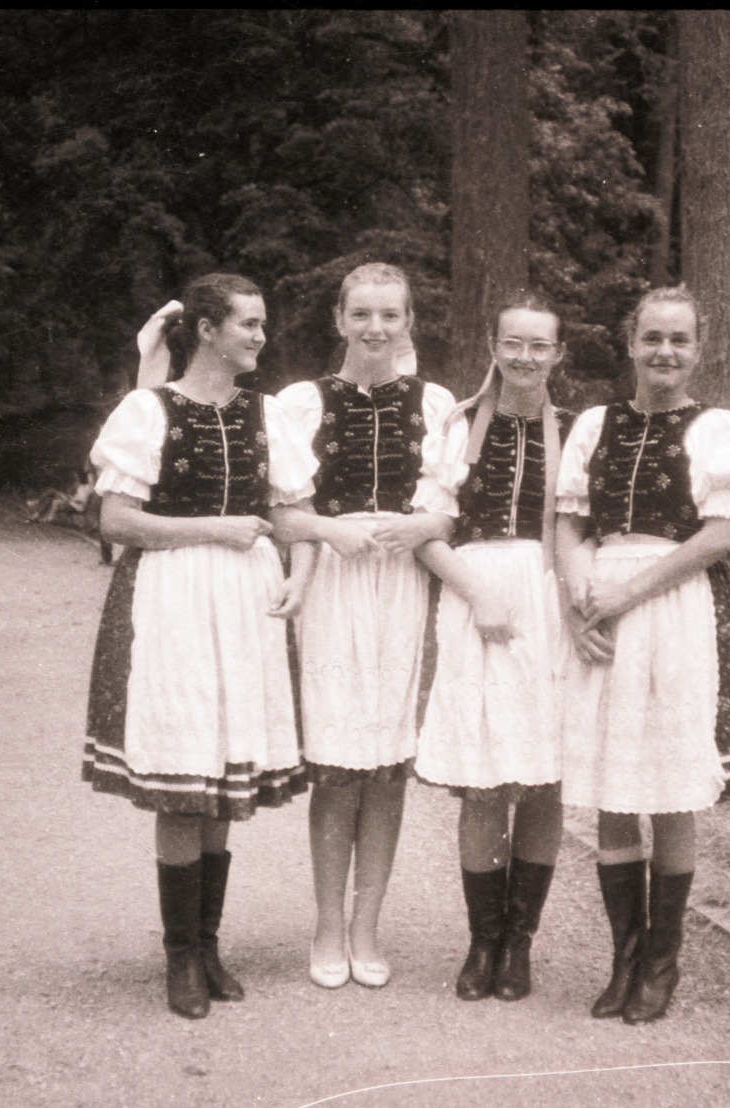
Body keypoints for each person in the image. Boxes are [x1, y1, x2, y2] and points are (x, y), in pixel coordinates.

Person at [85, 273, 321, 1020]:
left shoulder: (268, 414)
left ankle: (209, 944)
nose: (260, 337)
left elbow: (294, 515)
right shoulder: (147, 411)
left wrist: (304, 575)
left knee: (221, 770)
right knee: (185, 772)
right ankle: (179, 955)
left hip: (246, 603)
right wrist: (212, 530)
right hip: (173, 600)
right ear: (209, 330)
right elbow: (116, 522)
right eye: (247, 324)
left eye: (262, 325)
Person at [555, 285, 730, 1025]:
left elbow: (719, 537)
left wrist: (628, 593)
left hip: (675, 607)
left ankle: (661, 963)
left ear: (698, 349)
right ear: (630, 343)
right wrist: (580, 599)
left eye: (679, 340)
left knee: (672, 789)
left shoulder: (716, 426)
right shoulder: (594, 424)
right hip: (602, 608)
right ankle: (623, 960)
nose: (665, 353)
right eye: (652, 338)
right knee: (615, 792)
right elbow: (569, 524)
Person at [274, 263, 459, 990]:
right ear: (339, 319)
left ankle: (366, 927)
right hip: (331, 582)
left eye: (390, 315)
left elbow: (447, 507)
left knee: (385, 765)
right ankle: (326, 925)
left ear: (409, 321)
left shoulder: (437, 403)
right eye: (362, 315)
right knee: (338, 762)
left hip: (403, 584)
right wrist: (331, 531)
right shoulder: (300, 403)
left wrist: (418, 527)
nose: (376, 329)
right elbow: (281, 510)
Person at [413, 293, 572, 1002]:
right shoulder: (456, 429)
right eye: (514, 343)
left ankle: (519, 943)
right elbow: (428, 531)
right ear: (494, 345)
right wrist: (476, 592)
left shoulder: (578, 431)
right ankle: (481, 942)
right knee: (482, 780)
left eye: (540, 346)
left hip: (549, 602)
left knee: (541, 779)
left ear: (558, 355)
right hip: (473, 596)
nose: (526, 357)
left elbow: (583, 534)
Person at [26, 466, 96, 524]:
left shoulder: (88, 488)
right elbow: (70, 494)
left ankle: (46, 514)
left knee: (54, 497)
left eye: (77, 476)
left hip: (77, 506)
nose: (76, 478)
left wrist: (70, 499)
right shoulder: (78, 486)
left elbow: (82, 501)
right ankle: (37, 515)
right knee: (50, 496)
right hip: (71, 502)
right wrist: (69, 496)